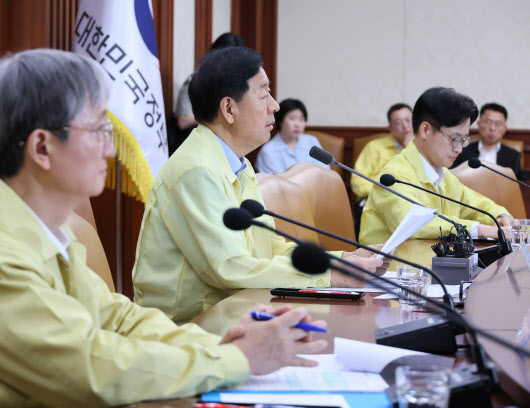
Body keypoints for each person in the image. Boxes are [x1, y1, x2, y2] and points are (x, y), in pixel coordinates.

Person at [0, 49, 329, 407]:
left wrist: (220, 343)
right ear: (42, 147)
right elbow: (90, 369)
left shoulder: (43, 229)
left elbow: (117, 318)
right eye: (99, 130)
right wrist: (235, 359)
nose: (110, 148)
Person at [133, 46, 389, 324]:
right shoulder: (196, 170)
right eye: (264, 94)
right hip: (186, 327)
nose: (275, 106)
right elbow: (230, 267)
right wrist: (330, 275)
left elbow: (268, 247)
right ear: (229, 109)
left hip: (235, 312)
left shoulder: (238, 162)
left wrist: (341, 260)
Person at [359, 87, 511, 267]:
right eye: (454, 139)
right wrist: (482, 230)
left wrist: (500, 217)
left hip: (434, 274)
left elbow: (478, 205)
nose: (459, 149)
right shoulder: (394, 175)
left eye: (464, 140)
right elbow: (415, 224)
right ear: (425, 130)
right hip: (390, 277)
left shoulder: (444, 176)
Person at [170, 32, 245, 155]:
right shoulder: (197, 80)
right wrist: (216, 116)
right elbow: (183, 120)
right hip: (197, 148)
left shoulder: (238, 83)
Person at [350, 103, 413, 237]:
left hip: (411, 201)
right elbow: (357, 182)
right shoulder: (374, 147)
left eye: (408, 120)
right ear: (390, 128)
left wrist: (411, 150)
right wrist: (383, 192)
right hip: (375, 201)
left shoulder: (424, 148)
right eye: (398, 122)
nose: (405, 126)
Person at [451, 102, 527, 179]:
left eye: (498, 124)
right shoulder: (462, 152)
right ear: (479, 124)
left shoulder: (513, 156)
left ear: (505, 129)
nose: (492, 128)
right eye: (488, 122)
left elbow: (517, 180)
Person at [254, 98, 330, 173]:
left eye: (301, 119)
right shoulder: (268, 151)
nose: (297, 124)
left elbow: (326, 171)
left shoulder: (311, 141)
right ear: (280, 121)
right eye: (292, 118)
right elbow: (274, 180)